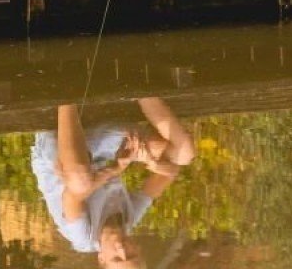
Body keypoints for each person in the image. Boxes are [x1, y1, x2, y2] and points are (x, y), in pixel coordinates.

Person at [31, 97, 195, 268]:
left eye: (117, 258)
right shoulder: (129, 218)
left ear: (102, 258)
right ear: (138, 249)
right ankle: (142, 92)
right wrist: (152, 163)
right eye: (130, 255)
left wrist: (115, 169)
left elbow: (72, 197)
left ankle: (67, 96)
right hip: (101, 150)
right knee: (184, 154)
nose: (122, 250)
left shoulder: (83, 237)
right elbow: (170, 173)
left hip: (59, 149)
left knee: (79, 181)